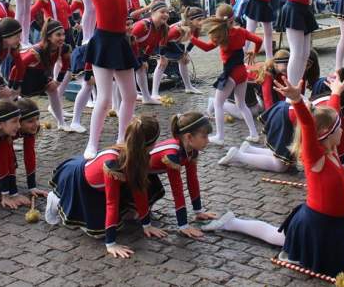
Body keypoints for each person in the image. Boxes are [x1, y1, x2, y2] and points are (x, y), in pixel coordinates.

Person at [204, 76, 344, 276]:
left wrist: (337, 93)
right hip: (315, 224)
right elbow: (308, 125)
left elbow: (332, 113)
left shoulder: (332, 150)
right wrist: (297, 100)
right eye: (339, 128)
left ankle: (239, 226)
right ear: (326, 133)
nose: (342, 131)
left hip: (333, 225)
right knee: (274, 236)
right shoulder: (316, 158)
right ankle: (232, 223)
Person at [69, 0, 150, 159]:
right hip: (103, 42)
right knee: (104, 98)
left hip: (121, 42)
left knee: (129, 95)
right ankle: (92, 143)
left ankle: (121, 138)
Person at [46, 115, 167, 258]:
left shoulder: (141, 155)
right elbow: (112, 202)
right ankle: (56, 199)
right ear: (151, 144)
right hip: (80, 183)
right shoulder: (113, 165)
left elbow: (139, 187)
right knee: (99, 233)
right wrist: (111, 244)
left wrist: (146, 224)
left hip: (103, 183)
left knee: (147, 183)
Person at [189, 3, 262, 145]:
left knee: (218, 103)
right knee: (242, 105)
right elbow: (259, 40)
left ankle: (220, 137)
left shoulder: (221, 35)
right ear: (233, 17)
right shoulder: (240, 31)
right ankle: (254, 134)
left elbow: (206, 48)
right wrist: (254, 51)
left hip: (231, 73)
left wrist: (191, 38)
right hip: (242, 72)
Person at [218, 51, 295, 172]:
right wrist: (270, 121)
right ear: (276, 64)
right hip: (238, 82)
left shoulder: (280, 71)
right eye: (284, 67)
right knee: (245, 111)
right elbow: (268, 98)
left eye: (288, 66)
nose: (286, 70)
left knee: (255, 110)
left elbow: (281, 95)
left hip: (249, 84)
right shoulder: (268, 74)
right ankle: (215, 104)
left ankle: (249, 149)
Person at [146, 112, 217, 237]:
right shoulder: (172, 155)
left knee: (157, 193)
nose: (208, 141)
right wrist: (183, 225)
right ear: (189, 137)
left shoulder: (191, 149)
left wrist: (198, 211)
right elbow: (177, 190)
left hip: (148, 175)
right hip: (132, 176)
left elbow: (192, 180)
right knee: (137, 212)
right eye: (204, 136)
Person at [15, 19, 72, 129]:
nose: (62, 38)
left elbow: (65, 66)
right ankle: (16, 125)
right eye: (58, 35)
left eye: (63, 34)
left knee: (53, 91)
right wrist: (15, 85)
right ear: (49, 37)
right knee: (15, 100)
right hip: (26, 76)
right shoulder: (36, 52)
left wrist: (57, 82)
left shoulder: (63, 48)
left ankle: (61, 123)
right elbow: (17, 67)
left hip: (42, 74)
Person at [151, 6, 204, 94]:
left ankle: (188, 87)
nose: (202, 21)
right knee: (162, 64)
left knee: (183, 60)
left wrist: (186, 53)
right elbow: (162, 40)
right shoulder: (177, 29)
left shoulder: (196, 29)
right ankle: (154, 93)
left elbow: (193, 42)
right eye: (199, 19)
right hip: (158, 43)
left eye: (203, 19)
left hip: (170, 42)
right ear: (190, 20)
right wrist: (162, 56)